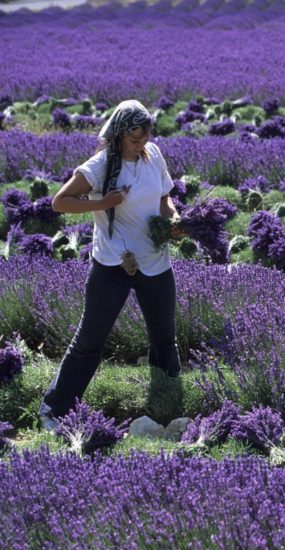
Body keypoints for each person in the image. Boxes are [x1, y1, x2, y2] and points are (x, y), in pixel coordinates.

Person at [39, 99, 182, 431]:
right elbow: (60, 202)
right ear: (118, 135)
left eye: (144, 138)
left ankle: (167, 400)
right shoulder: (101, 165)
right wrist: (104, 202)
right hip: (113, 263)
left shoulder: (154, 154)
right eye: (134, 140)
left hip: (154, 260)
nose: (140, 145)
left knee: (164, 338)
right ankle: (54, 409)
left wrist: (172, 217)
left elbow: (163, 197)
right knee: (90, 339)